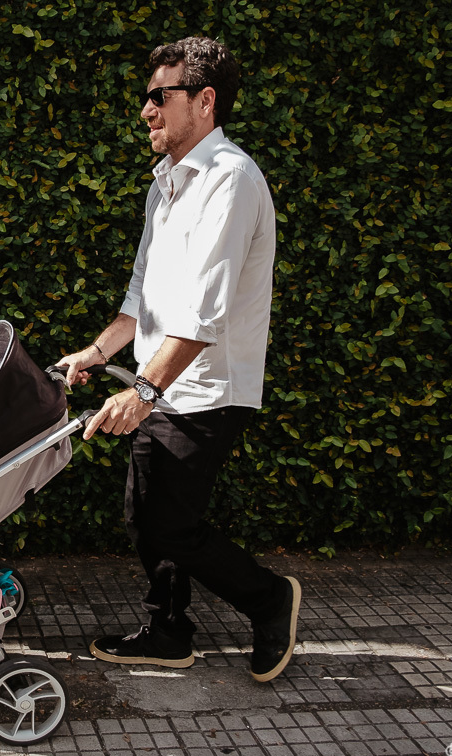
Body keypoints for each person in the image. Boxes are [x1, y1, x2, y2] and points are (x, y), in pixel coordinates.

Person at [56, 36, 300, 682]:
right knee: (147, 515)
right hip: (162, 382)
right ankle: (168, 629)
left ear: (205, 100)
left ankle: (269, 597)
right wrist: (96, 352)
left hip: (209, 388)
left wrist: (143, 391)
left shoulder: (231, 181)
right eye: (147, 98)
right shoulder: (165, 186)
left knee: (171, 522)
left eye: (159, 97)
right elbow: (142, 295)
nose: (146, 111)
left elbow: (204, 313)